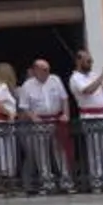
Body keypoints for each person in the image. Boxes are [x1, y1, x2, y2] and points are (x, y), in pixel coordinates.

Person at [68, 50, 103, 188]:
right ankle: (97, 180)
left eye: (91, 61)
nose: (91, 64)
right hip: (90, 116)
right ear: (79, 61)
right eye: (88, 61)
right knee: (95, 150)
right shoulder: (75, 78)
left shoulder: (93, 75)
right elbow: (88, 90)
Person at [18, 59, 71, 189]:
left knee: (59, 150)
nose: (47, 72)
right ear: (36, 70)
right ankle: (47, 179)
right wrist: (33, 116)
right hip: (39, 122)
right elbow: (24, 106)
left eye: (48, 69)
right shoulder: (27, 85)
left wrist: (66, 114)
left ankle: (65, 178)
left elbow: (64, 98)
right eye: (44, 70)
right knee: (41, 152)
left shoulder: (55, 80)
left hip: (56, 119)